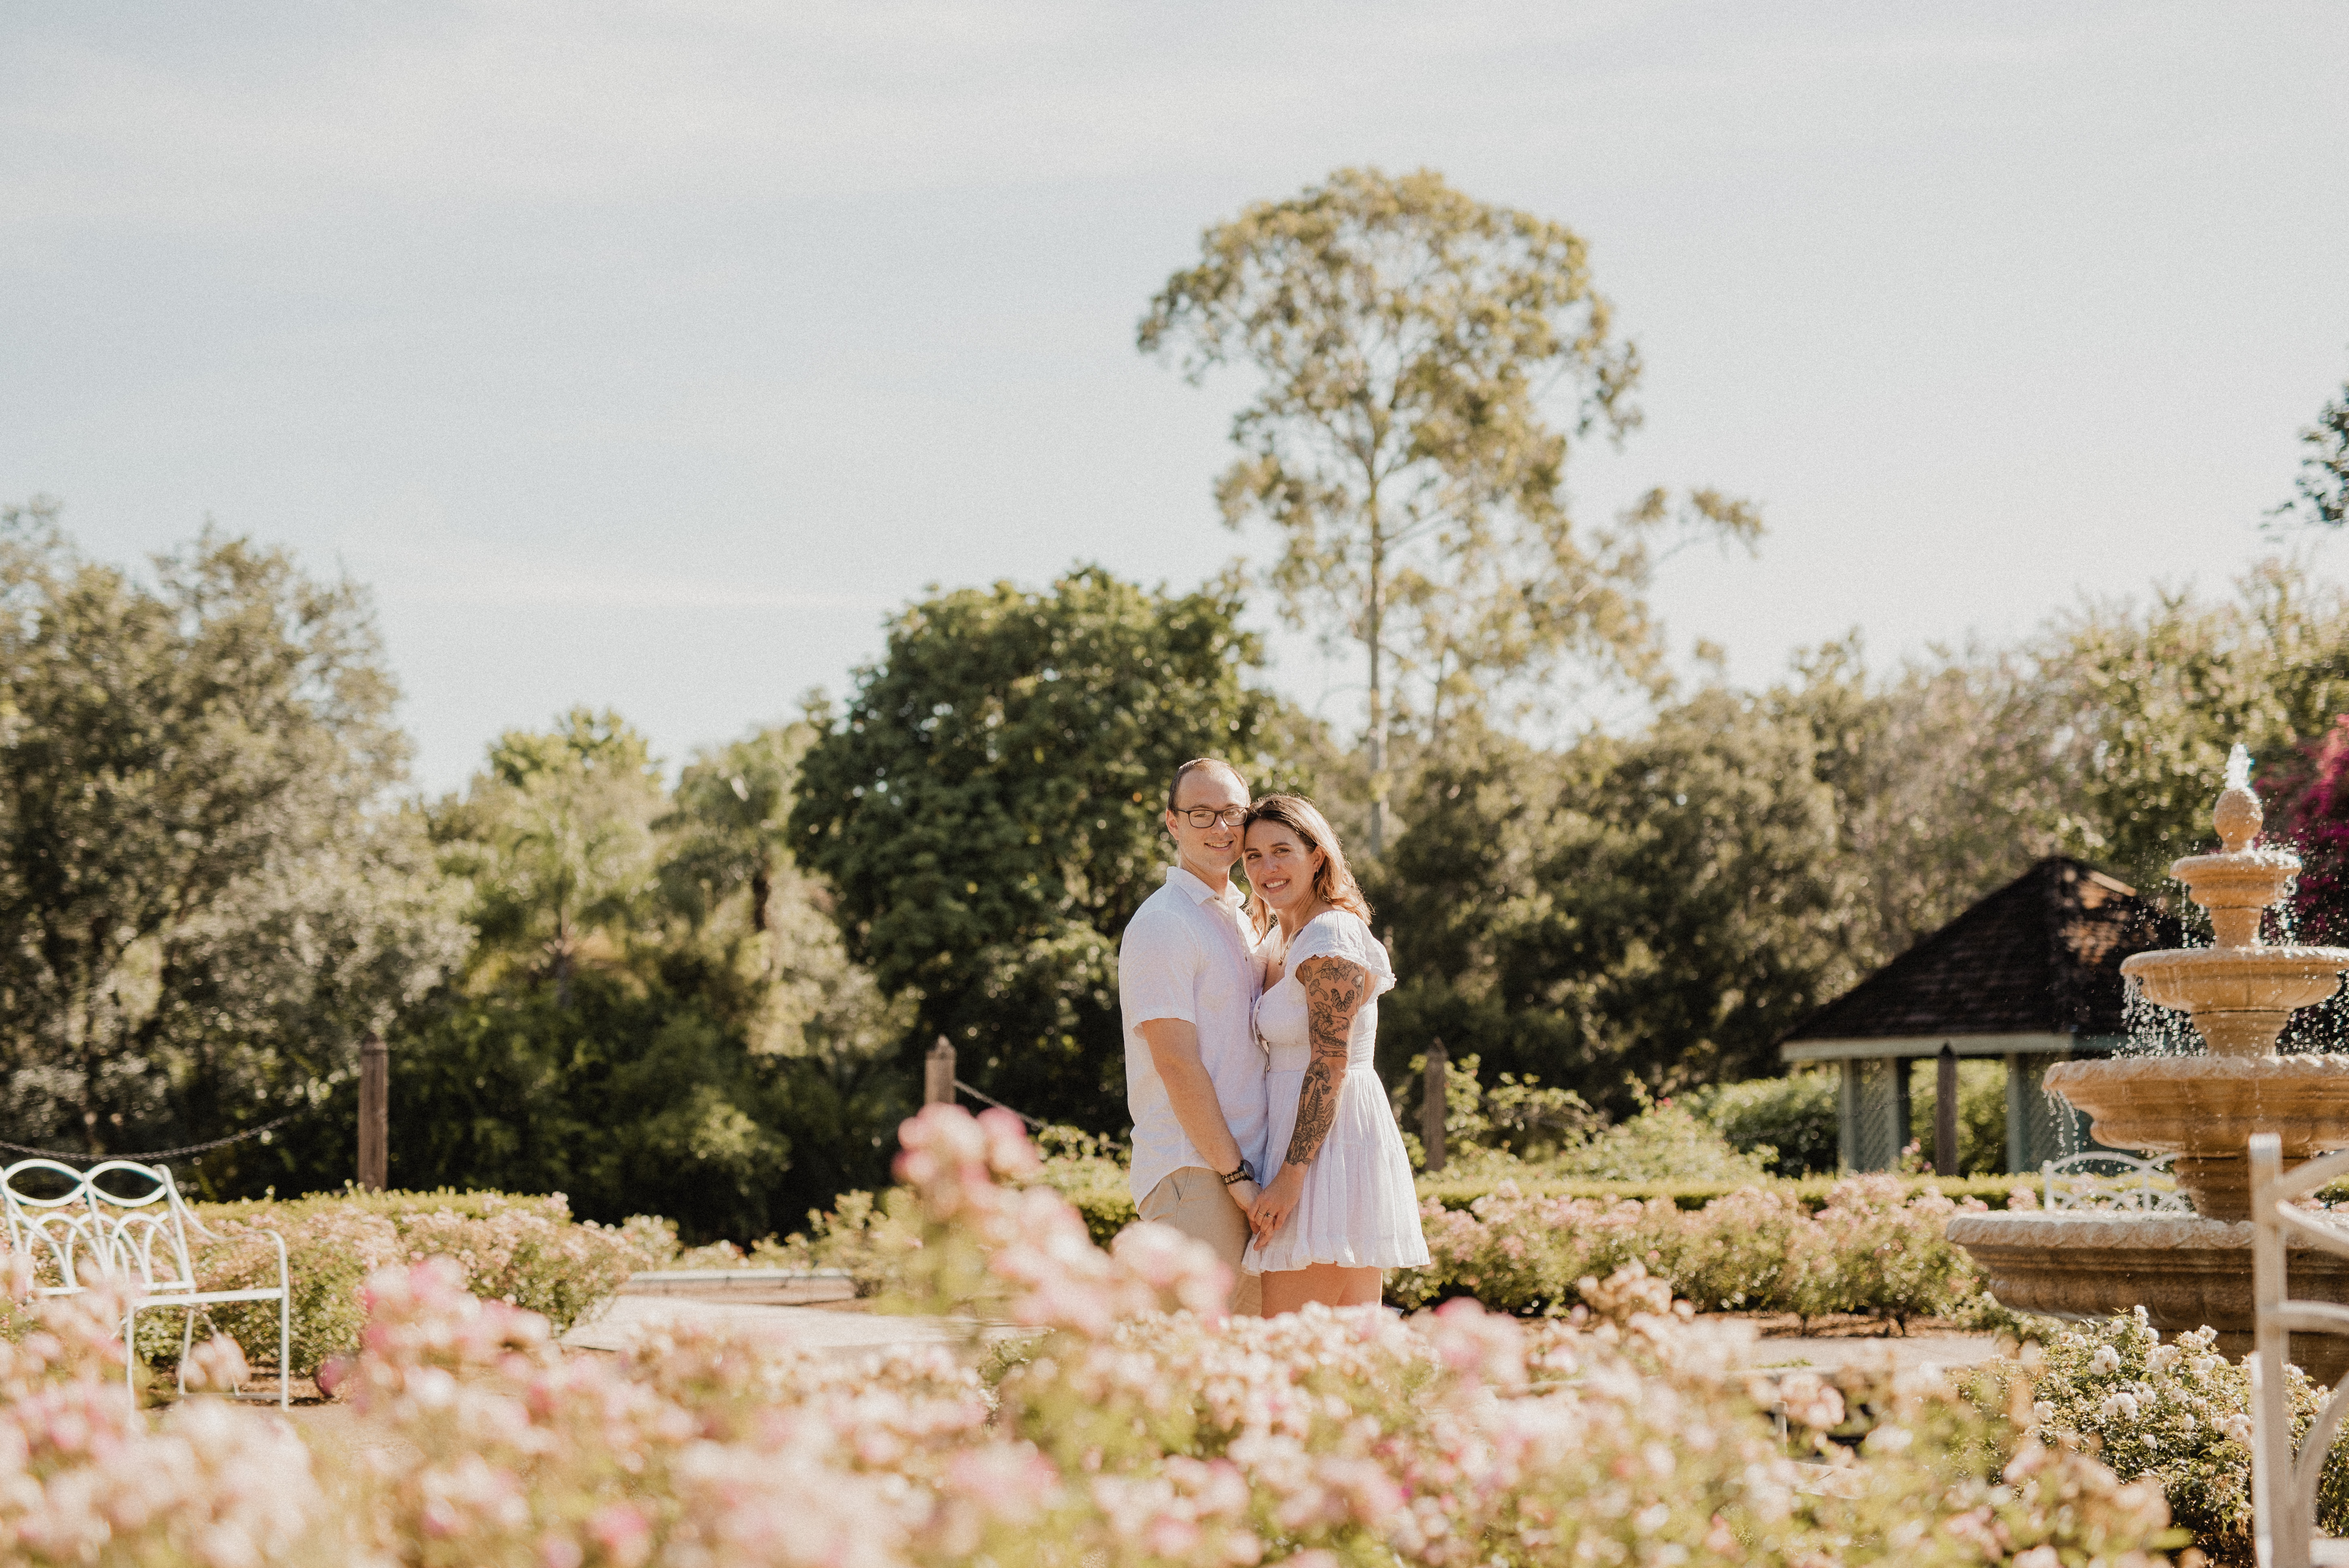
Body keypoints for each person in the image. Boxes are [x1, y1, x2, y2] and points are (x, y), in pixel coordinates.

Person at [1240, 794, 1429, 1313]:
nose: (1266, 867)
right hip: (1309, 1142)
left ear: (1317, 855)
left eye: (1282, 851)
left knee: (1294, 1348)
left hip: (1327, 1150)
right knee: (1341, 1349)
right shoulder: (1285, 935)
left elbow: (1330, 1059)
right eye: (1253, 855)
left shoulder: (1330, 932)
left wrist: (1290, 1176)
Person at [1117, 757, 1269, 1316]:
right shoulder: (1164, 923)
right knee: (1187, 1364)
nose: (1219, 827)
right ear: (1173, 823)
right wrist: (1235, 1176)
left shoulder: (1242, 916)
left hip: (1250, 1174)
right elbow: (1177, 1065)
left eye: (1230, 811)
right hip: (1197, 1175)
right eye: (1200, 813)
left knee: (1244, 1373)